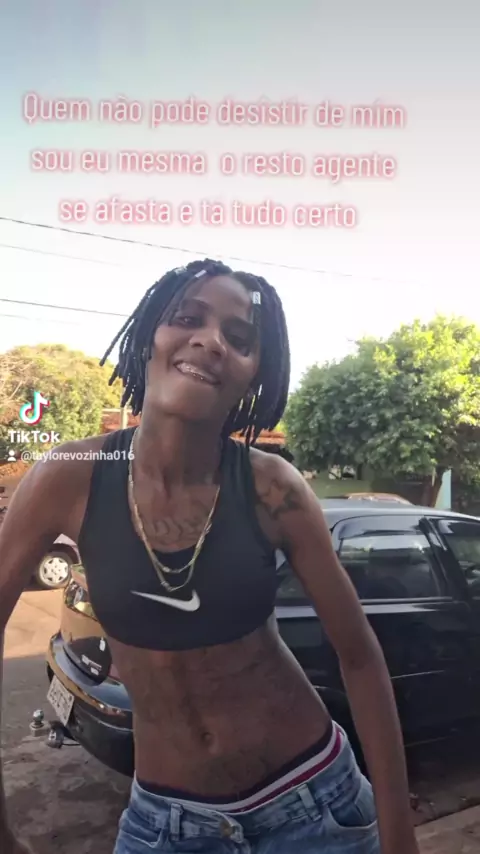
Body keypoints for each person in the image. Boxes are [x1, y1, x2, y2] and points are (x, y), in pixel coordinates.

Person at [0, 259, 418, 853]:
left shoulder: (273, 488)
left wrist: (398, 834)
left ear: (254, 375)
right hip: (165, 825)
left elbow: (359, 655)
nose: (210, 341)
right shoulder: (69, 477)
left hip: (312, 803)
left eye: (239, 338)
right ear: (150, 335)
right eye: (188, 317)